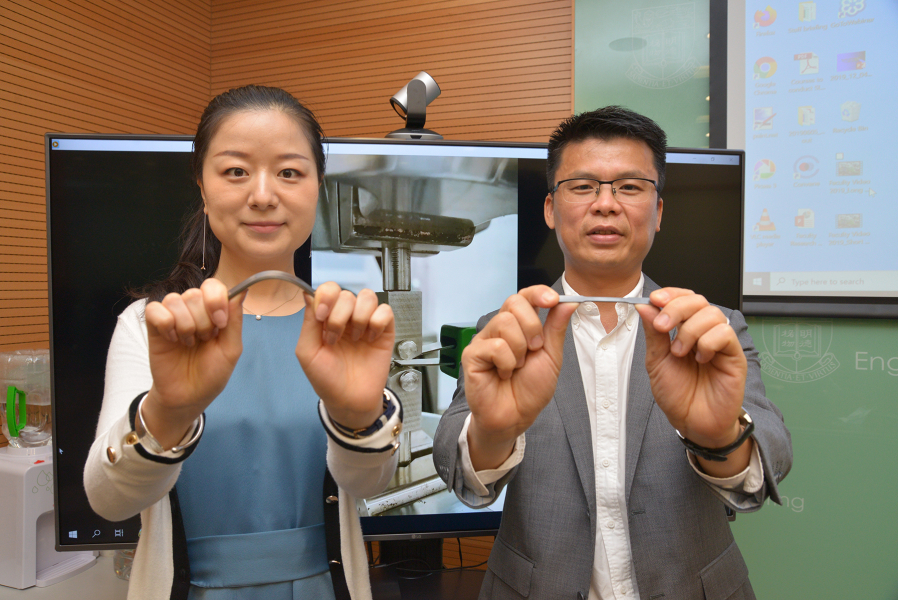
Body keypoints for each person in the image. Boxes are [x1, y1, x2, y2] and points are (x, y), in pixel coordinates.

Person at [433, 106, 792, 600]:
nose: (605, 204)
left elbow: (769, 459)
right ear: (550, 209)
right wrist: (493, 433)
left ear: (658, 212)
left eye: (629, 186)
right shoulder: (506, 332)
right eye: (582, 186)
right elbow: (455, 467)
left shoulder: (711, 329)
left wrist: (718, 438)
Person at [84, 85, 402, 600]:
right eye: (235, 171)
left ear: (318, 187)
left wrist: (357, 414)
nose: (263, 195)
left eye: (290, 172)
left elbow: (370, 485)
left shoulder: (346, 327)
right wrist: (166, 412)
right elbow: (107, 500)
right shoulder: (151, 325)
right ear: (202, 186)